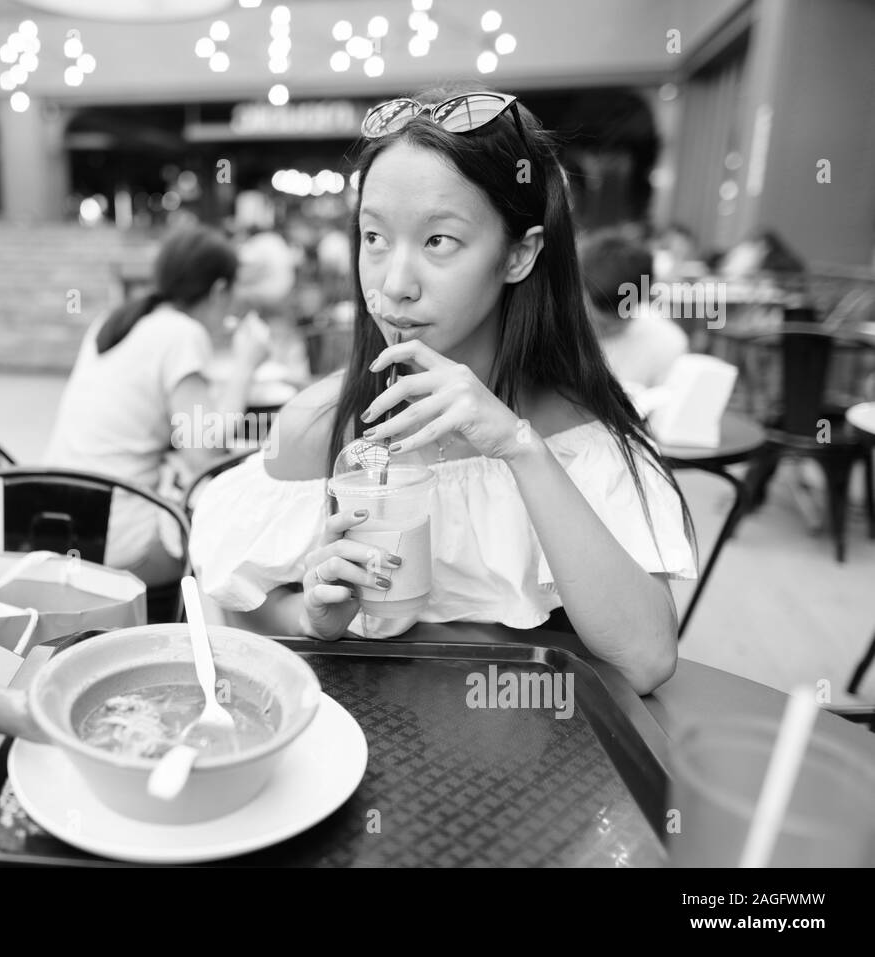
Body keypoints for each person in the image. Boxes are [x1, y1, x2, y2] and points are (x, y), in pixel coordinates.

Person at [190, 84, 698, 695]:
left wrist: (519, 447)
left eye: (438, 241)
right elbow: (238, 600)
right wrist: (313, 617)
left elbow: (644, 661)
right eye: (374, 238)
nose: (395, 283)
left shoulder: (581, 436)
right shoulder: (321, 425)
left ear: (519, 254)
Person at [43, 224, 269, 587]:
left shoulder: (115, 322)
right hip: (114, 546)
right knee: (239, 537)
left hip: (50, 526)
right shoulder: (182, 333)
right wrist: (246, 366)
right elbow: (205, 454)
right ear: (219, 290)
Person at [579, 229, 688, 390]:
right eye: (600, 321)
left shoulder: (666, 342)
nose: (608, 327)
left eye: (621, 317)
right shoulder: (551, 332)